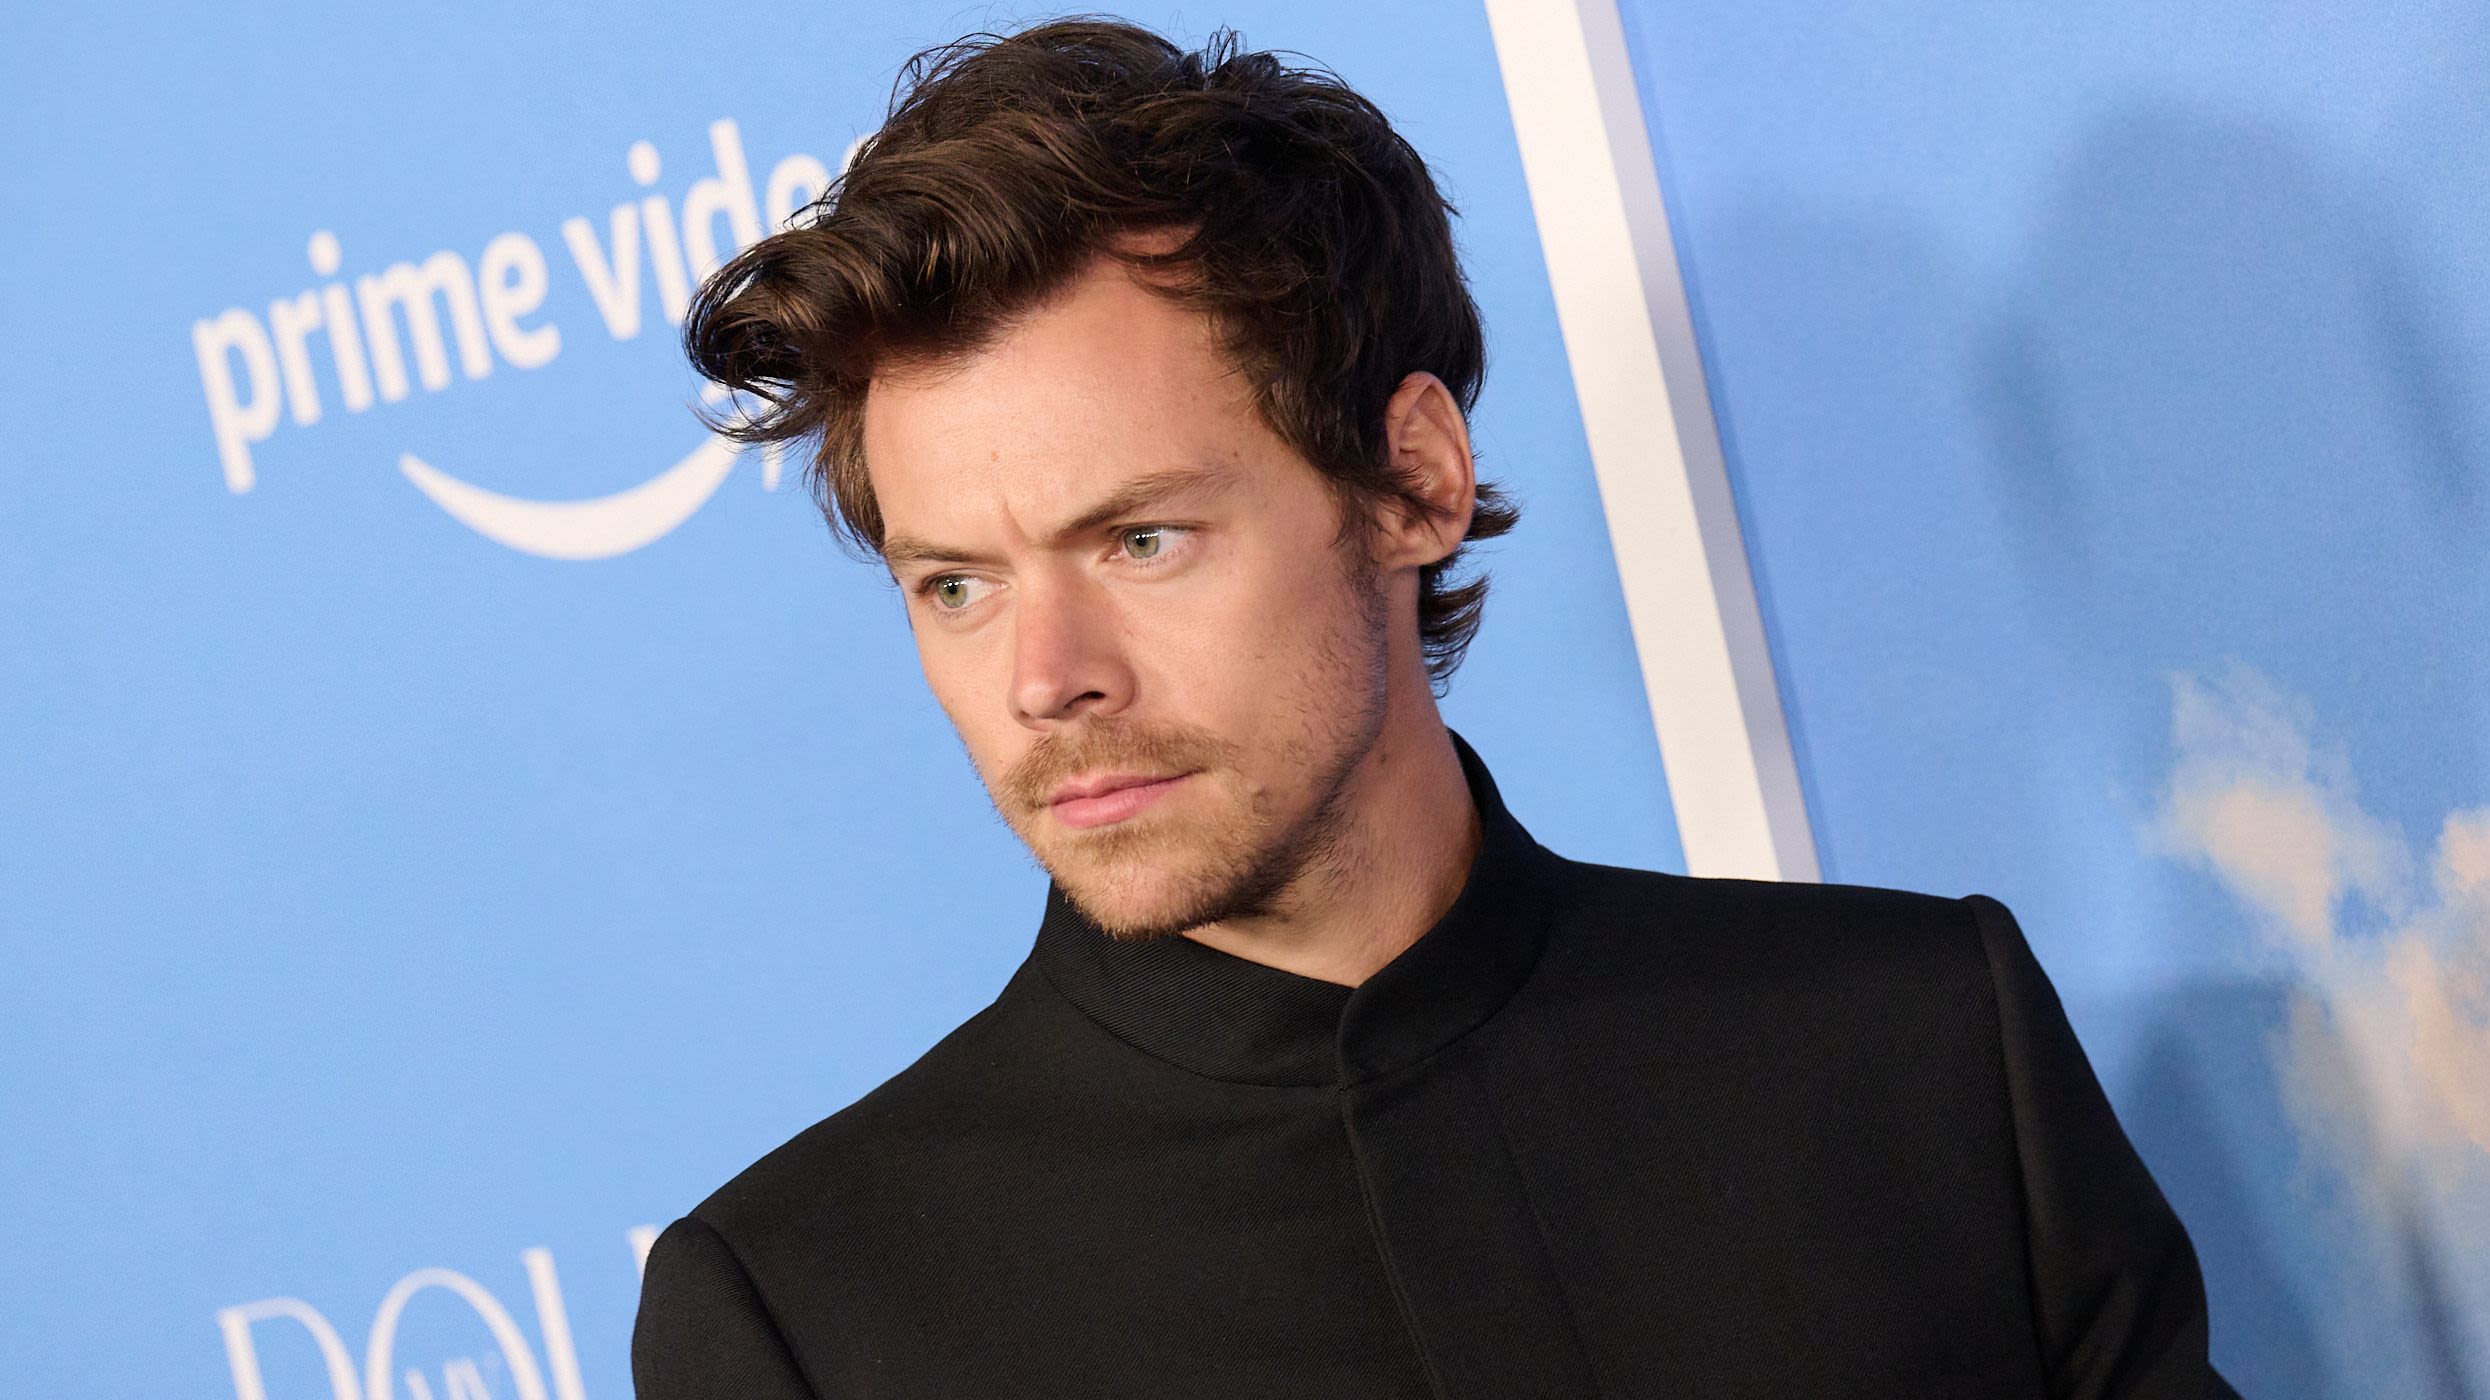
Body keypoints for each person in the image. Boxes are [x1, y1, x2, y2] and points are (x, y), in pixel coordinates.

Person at [631, 17, 2239, 1399]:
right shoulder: (816, 1314)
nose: (1047, 678)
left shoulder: (1909, 1053)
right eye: (954, 586)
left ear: (1411, 478)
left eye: (1139, 539)